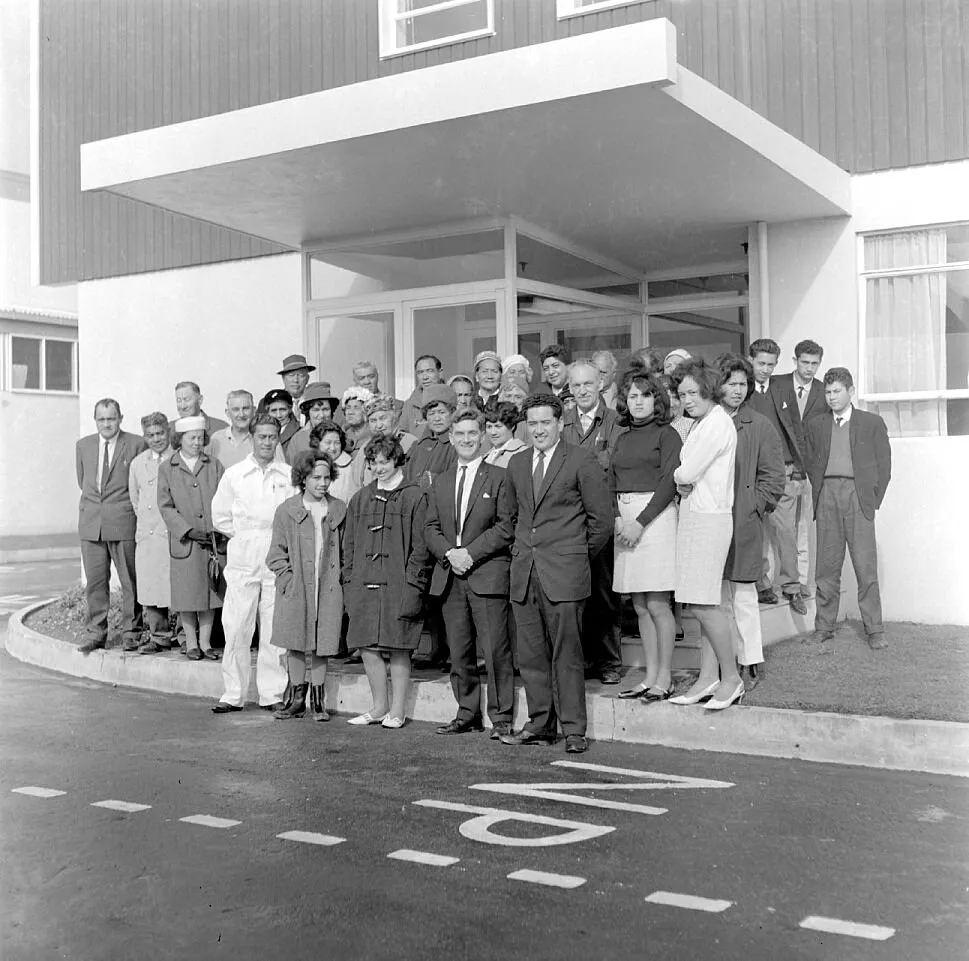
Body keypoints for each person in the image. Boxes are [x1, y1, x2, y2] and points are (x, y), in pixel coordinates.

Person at [500, 393, 613, 753]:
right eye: (532, 423)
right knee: (531, 655)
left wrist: (574, 555)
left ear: (559, 424)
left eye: (545, 422)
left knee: (567, 654)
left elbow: (601, 522)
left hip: (565, 573)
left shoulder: (581, 459)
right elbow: (511, 518)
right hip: (525, 572)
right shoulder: (517, 464)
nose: (538, 430)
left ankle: (574, 728)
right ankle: (539, 723)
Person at [425, 408, 516, 739]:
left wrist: (470, 553)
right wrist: (451, 554)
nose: (465, 440)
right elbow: (431, 527)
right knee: (459, 650)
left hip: (487, 574)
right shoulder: (442, 481)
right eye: (459, 434)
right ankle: (467, 712)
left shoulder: (499, 476)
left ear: (482, 437)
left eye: (472, 434)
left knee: (494, 650)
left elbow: (506, 526)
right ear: (451, 439)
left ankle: (501, 717)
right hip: (452, 576)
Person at [667, 359, 742, 711]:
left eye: (693, 393)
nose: (687, 400)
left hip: (710, 519)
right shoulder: (700, 424)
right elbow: (685, 475)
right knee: (701, 601)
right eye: (682, 394)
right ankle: (708, 677)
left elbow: (686, 471)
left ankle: (732, 678)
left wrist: (682, 478)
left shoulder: (716, 424)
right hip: (696, 516)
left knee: (704, 603)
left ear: (708, 390)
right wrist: (683, 479)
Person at [344, 435, 432, 729]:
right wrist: (350, 580)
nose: (378, 468)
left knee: (398, 646)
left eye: (385, 461)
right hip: (364, 583)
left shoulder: (415, 496)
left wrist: (413, 584)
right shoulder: (361, 498)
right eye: (373, 462)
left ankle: (397, 710)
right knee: (367, 645)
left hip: (400, 583)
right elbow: (350, 545)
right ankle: (379, 706)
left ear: (397, 460)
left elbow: (421, 547)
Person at [210, 414, 296, 713]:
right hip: (243, 552)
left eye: (273, 437)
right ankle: (233, 693)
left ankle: (271, 693)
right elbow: (220, 517)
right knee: (236, 625)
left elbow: (294, 515)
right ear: (253, 438)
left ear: (278, 438)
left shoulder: (288, 475)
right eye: (262, 437)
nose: (267, 442)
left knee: (273, 627)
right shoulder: (235, 474)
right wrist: (246, 538)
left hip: (276, 553)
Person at [804, 367, 891, 652]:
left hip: (858, 496)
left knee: (865, 567)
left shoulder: (871, 423)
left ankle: (874, 629)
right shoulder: (816, 425)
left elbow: (884, 466)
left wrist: (871, 500)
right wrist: (820, 493)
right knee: (826, 567)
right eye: (827, 392)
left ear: (850, 391)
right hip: (827, 495)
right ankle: (824, 627)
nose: (831, 397)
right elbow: (809, 460)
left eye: (837, 391)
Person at [609, 370, 682, 702]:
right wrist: (618, 520)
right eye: (632, 396)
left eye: (645, 395)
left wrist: (640, 522)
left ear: (657, 399)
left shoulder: (668, 435)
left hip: (654, 519)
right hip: (624, 521)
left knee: (656, 603)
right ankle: (649, 675)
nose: (638, 402)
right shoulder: (621, 437)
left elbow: (669, 483)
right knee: (638, 605)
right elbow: (609, 480)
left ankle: (664, 678)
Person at [718, 355, 786, 691]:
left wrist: (753, 506)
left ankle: (751, 660)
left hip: (743, 520)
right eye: (731, 383)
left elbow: (774, 477)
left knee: (743, 592)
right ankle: (723, 661)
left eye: (742, 384)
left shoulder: (759, 425)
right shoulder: (705, 420)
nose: (737, 390)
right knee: (715, 597)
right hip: (710, 521)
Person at [267, 449, 347, 722]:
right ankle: (297, 699)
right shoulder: (287, 510)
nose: (322, 483)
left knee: (323, 642)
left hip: (327, 586)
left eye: (326, 477)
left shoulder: (337, 508)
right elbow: (276, 553)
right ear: (303, 479)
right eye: (315, 477)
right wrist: (287, 580)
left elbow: (346, 549)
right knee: (297, 641)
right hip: (298, 586)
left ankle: (318, 700)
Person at [562, 360, 627, 685]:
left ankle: (609, 661)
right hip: (569, 520)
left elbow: (614, 468)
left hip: (601, 519)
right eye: (576, 385)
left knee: (603, 592)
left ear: (600, 383)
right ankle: (583, 659)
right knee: (575, 593)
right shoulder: (563, 423)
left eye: (588, 384)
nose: (583, 390)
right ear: (569, 388)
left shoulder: (615, 422)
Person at [76, 398, 147, 653]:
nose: (106, 424)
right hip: (91, 524)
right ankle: (97, 633)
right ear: (95, 420)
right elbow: (82, 480)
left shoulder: (137, 444)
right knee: (95, 582)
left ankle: (131, 631)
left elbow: (140, 483)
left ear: (120, 418)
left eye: (111, 418)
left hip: (124, 521)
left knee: (130, 581)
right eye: (101, 419)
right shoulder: (83, 445)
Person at [746, 338, 808, 615]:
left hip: (781, 470)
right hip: (752, 472)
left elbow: (795, 429)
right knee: (755, 531)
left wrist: (797, 467)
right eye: (761, 363)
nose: (766, 369)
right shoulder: (742, 390)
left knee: (785, 530)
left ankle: (792, 586)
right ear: (750, 361)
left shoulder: (783, 389)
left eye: (771, 364)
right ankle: (761, 584)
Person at [158, 415, 226, 661]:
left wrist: (217, 528)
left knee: (209, 593)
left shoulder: (214, 465)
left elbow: (224, 498)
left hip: (211, 540)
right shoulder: (168, 468)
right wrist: (186, 530)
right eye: (192, 438)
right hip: (185, 541)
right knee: (187, 595)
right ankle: (191, 643)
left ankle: (206, 643)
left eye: (201, 438)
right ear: (180, 439)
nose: (197, 443)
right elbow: (165, 506)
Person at [773, 339, 827, 592]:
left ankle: (801, 582)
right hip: (780, 466)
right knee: (778, 527)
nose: (809, 368)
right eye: (805, 362)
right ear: (795, 361)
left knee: (803, 526)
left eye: (814, 364)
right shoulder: (777, 384)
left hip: (808, 470)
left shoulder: (822, 390)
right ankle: (778, 581)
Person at [128, 413, 175, 654]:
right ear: (145, 437)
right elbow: (136, 499)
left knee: (177, 584)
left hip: (172, 532)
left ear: (168, 432)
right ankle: (159, 636)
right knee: (151, 587)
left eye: (160, 433)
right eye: (150, 435)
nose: (156, 439)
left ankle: (184, 637)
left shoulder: (178, 459)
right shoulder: (138, 463)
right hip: (149, 533)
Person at [349, 395, 418, 489]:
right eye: (373, 420)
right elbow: (354, 485)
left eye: (383, 418)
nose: (379, 425)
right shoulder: (365, 449)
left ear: (394, 418)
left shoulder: (410, 443)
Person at [405, 384, 458, 487]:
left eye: (442, 412)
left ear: (452, 413)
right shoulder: (417, 446)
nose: (437, 418)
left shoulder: (456, 446)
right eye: (431, 413)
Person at [287, 382, 340, 461]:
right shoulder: (298, 439)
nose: (321, 415)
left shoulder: (340, 435)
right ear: (308, 412)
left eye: (325, 409)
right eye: (316, 410)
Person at [310, 420, 358, 506]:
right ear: (317, 443)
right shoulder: (309, 465)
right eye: (328, 443)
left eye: (337, 443)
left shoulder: (350, 468)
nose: (333, 448)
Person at [210, 390, 257, 469]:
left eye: (245, 408)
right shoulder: (216, 439)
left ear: (254, 411)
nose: (241, 414)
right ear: (227, 413)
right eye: (236, 409)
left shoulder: (266, 438)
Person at [399, 354, 444, 437]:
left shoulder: (452, 400)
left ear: (440, 373)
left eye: (429, 371)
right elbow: (402, 435)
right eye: (420, 372)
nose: (425, 377)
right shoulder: (409, 405)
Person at [484, 402, 529, 468]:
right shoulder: (487, 456)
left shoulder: (523, 454)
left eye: (498, 426)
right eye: (489, 427)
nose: (493, 432)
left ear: (512, 427)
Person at [260, 388, 300, 456]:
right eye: (274, 411)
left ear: (290, 409)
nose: (279, 415)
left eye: (282, 410)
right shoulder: (260, 432)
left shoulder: (299, 432)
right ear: (267, 412)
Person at [338, 386, 374, 454]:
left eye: (356, 408)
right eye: (348, 408)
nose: (350, 412)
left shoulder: (374, 436)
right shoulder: (340, 435)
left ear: (366, 411)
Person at [539, 345, 574, 410]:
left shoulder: (578, 392)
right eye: (546, 368)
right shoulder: (540, 395)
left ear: (568, 366)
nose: (551, 372)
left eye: (555, 366)